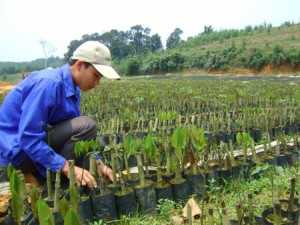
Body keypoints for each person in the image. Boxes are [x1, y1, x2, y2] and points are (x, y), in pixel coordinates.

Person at [0, 41, 121, 190]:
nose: (97, 83)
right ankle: (53, 182)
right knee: (87, 126)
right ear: (80, 65)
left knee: (98, 143)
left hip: (33, 146)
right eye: (95, 75)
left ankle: (53, 176)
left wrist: (100, 164)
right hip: (18, 152)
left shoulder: (72, 88)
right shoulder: (48, 84)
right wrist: (67, 167)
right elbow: (28, 138)